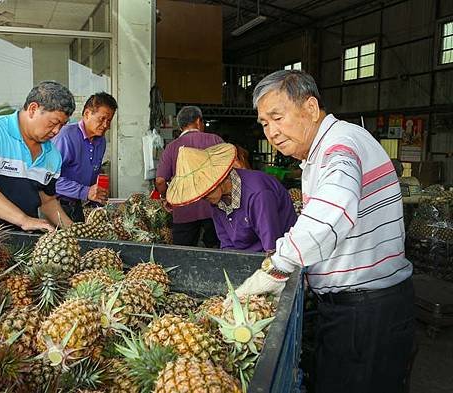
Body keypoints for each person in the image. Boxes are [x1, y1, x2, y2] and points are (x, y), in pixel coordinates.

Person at [230, 70, 414, 393]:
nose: (271, 132)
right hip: (357, 308)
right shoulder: (321, 153)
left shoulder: (339, 146)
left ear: (311, 109)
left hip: (366, 312)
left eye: (277, 117)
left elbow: (333, 212)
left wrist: (278, 265)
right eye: (264, 124)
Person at [0, 80, 74, 232]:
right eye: (53, 123)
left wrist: (74, 230)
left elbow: (47, 201)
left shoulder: (53, 156)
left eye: (62, 125)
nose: (56, 131)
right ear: (33, 109)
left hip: (24, 243)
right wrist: (23, 220)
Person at [165, 143, 296, 253]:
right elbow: (226, 243)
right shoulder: (217, 200)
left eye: (205, 191)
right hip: (245, 259)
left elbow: (272, 248)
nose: (202, 198)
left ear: (220, 178)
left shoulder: (258, 194)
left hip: (278, 257)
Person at [155, 106, 223, 247]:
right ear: (198, 121)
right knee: (217, 253)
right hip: (214, 210)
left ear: (180, 126)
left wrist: (167, 197)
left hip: (183, 211)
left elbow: (160, 181)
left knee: (183, 254)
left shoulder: (172, 147)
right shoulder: (215, 140)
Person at [53, 92, 118, 222]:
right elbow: (49, 180)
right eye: (102, 119)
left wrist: (97, 192)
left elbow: (94, 172)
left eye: (109, 121)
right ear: (87, 114)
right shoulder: (66, 137)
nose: (106, 125)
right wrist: (85, 191)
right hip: (55, 206)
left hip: (77, 205)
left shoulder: (101, 141)